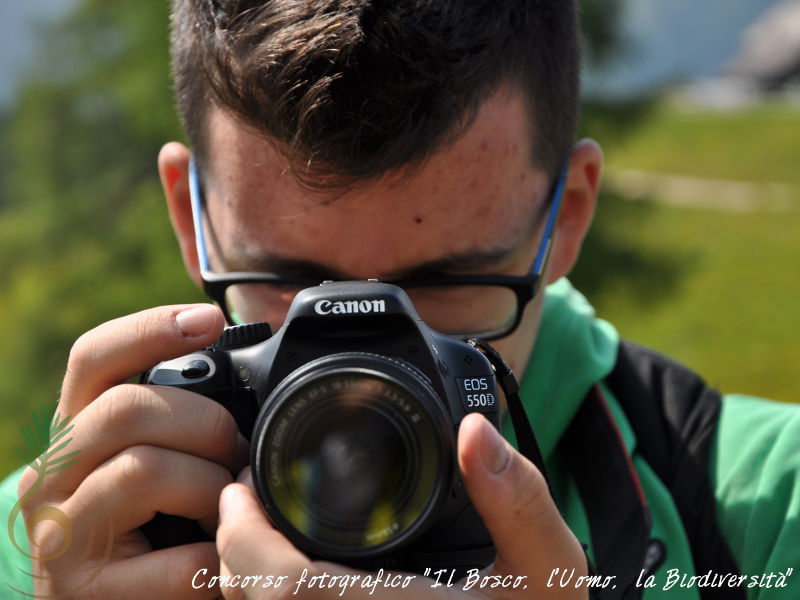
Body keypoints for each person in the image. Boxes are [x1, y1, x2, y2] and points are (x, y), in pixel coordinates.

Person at [1, 1, 798, 598]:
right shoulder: (57, 539)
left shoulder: (765, 514)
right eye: (292, 281)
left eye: (445, 283)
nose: (370, 357)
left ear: (568, 219)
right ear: (191, 217)